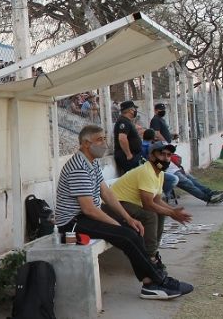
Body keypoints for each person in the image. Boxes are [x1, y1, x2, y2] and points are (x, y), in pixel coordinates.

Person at [55, 125, 193, 300]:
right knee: (127, 234)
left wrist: (127, 218)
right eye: (99, 140)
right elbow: (88, 209)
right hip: (72, 223)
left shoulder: (92, 162)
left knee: (132, 231)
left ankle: (150, 282)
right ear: (85, 144)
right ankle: (157, 281)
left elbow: (106, 193)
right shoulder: (78, 167)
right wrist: (120, 224)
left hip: (84, 217)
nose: (104, 143)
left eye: (104, 139)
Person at [107, 141, 193, 270]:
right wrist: (173, 213)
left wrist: (173, 211)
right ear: (152, 156)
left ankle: (152, 253)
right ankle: (149, 259)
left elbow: (157, 200)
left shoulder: (159, 173)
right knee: (150, 215)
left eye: (169, 155)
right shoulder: (146, 172)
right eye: (162, 154)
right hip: (114, 206)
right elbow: (148, 204)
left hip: (127, 204)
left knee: (160, 212)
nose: (166, 158)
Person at [114, 100, 143, 175]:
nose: (135, 111)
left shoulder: (127, 121)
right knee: (135, 177)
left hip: (132, 156)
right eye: (134, 109)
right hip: (127, 157)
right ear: (131, 110)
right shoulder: (124, 121)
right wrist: (129, 155)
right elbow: (122, 138)